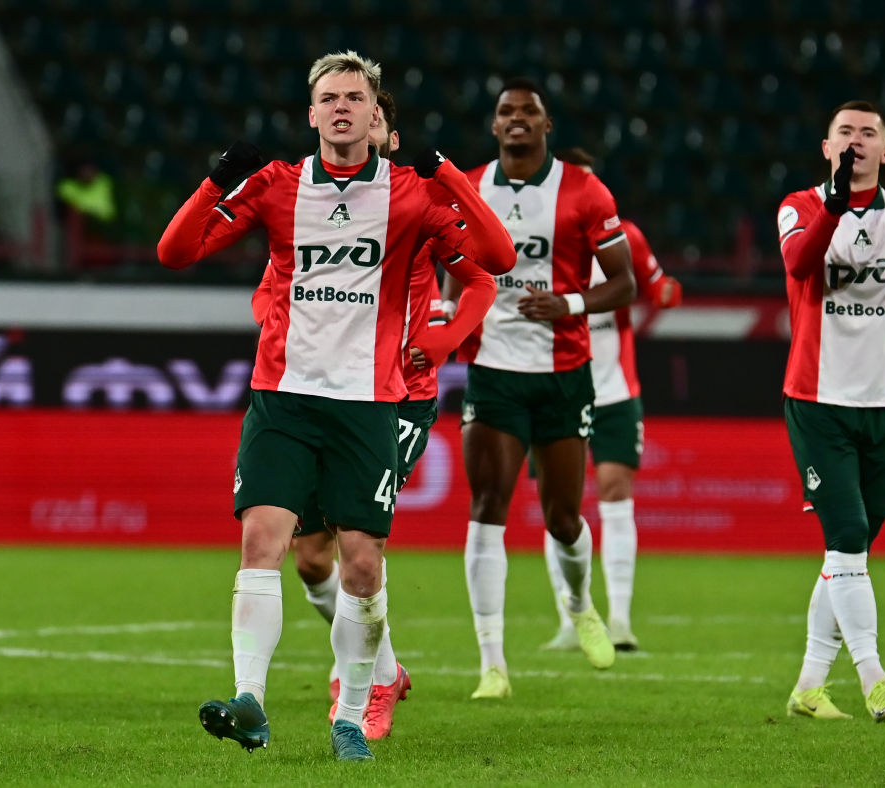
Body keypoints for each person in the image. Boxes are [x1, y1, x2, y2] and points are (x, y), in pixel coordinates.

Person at [157, 51, 513, 761]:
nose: (342, 107)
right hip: (283, 398)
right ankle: (250, 701)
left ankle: (351, 715)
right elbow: (175, 251)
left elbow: (495, 262)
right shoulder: (277, 186)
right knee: (266, 543)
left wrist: (447, 174)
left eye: (355, 97)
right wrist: (216, 181)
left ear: (376, 113)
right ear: (312, 114)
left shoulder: (412, 194)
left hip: (370, 402)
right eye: (329, 97)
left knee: (360, 564)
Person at [250, 89, 491, 740]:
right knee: (309, 558)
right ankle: (383, 666)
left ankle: (366, 686)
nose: (358, 123)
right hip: (320, 390)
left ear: (388, 137)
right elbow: (271, 292)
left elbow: (483, 277)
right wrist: (280, 327)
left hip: (399, 394)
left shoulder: (416, 202)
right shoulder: (315, 211)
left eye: (373, 116)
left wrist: (445, 340)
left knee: (358, 542)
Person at [445, 77, 636, 700]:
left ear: (547, 125)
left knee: (563, 518)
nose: (518, 118)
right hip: (493, 370)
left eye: (530, 110)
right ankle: (492, 664)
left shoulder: (585, 191)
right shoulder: (468, 188)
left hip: (563, 374)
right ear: (494, 126)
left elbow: (625, 283)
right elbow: (455, 268)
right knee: (487, 505)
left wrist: (569, 303)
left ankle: (579, 603)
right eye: (507, 111)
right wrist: (446, 314)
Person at [776, 101, 885, 722]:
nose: (857, 140)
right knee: (848, 539)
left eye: (868, 133)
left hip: (883, 402)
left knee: (848, 554)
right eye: (845, 132)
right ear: (828, 149)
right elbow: (799, 265)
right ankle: (875, 680)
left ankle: (807, 687)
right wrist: (832, 204)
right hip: (818, 401)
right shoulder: (799, 207)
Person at [538, 148, 682, 653]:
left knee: (616, 492)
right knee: (560, 505)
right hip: (556, 386)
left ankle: (619, 620)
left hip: (615, 391)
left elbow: (660, 286)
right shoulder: (539, 240)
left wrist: (667, 291)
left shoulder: (624, 237)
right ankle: (570, 619)